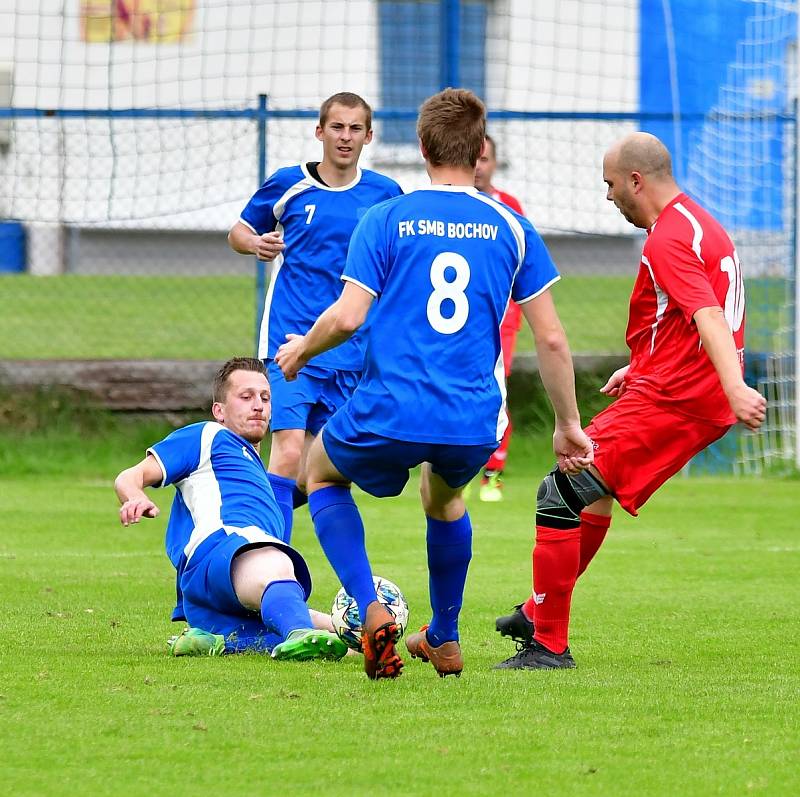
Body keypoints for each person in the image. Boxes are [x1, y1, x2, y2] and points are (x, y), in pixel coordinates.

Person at [275, 88, 593, 680]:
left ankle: (369, 609)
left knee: (319, 473)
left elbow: (347, 316)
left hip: (389, 406)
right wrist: (568, 425)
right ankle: (443, 635)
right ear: (479, 152)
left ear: (422, 147)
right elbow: (551, 340)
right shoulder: (512, 226)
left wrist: (299, 350)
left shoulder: (387, 217)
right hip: (470, 419)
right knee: (443, 497)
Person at [494, 131, 767, 670]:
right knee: (591, 491)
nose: (609, 196)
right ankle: (536, 609)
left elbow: (710, 316)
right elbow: (689, 316)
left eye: (611, 184)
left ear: (636, 181)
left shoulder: (668, 238)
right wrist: (641, 365)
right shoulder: (698, 224)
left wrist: (734, 386)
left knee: (561, 488)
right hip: (674, 385)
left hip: (680, 397)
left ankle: (547, 643)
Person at [227, 92, 402, 543]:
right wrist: (255, 245)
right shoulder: (289, 185)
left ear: (369, 135)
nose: (346, 137)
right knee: (285, 452)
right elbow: (239, 232)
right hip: (291, 347)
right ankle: (270, 565)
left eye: (355, 129)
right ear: (319, 131)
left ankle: (242, 521)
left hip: (351, 353)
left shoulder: (385, 195)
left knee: (324, 473)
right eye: (337, 127)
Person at [114, 356, 348, 661]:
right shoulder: (207, 436)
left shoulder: (259, 477)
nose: (258, 405)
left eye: (265, 397)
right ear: (219, 411)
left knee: (338, 637)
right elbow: (129, 476)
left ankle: (217, 639)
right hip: (219, 550)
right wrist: (134, 496)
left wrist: (346, 627)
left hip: (222, 588)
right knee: (276, 565)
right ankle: (299, 633)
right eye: (246, 396)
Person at [473, 133, 525, 502]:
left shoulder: (509, 206)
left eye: (485, 159)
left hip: (501, 318)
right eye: (473, 157)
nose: (478, 166)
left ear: (494, 163)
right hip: (457, 318)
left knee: (495, 392)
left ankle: (492, 473)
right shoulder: (452, 204)